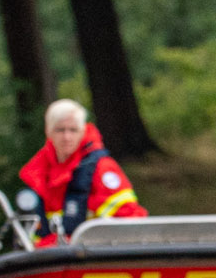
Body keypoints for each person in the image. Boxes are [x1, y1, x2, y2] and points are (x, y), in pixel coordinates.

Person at [17, 99, 145, 245]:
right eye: (60, 130)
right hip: (47, 260)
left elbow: (131, 224)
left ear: (83, 131)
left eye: (73, 130)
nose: (67, 137)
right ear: (48, 131)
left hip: (91, 260)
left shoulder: (102, 169)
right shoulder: (37, 173)